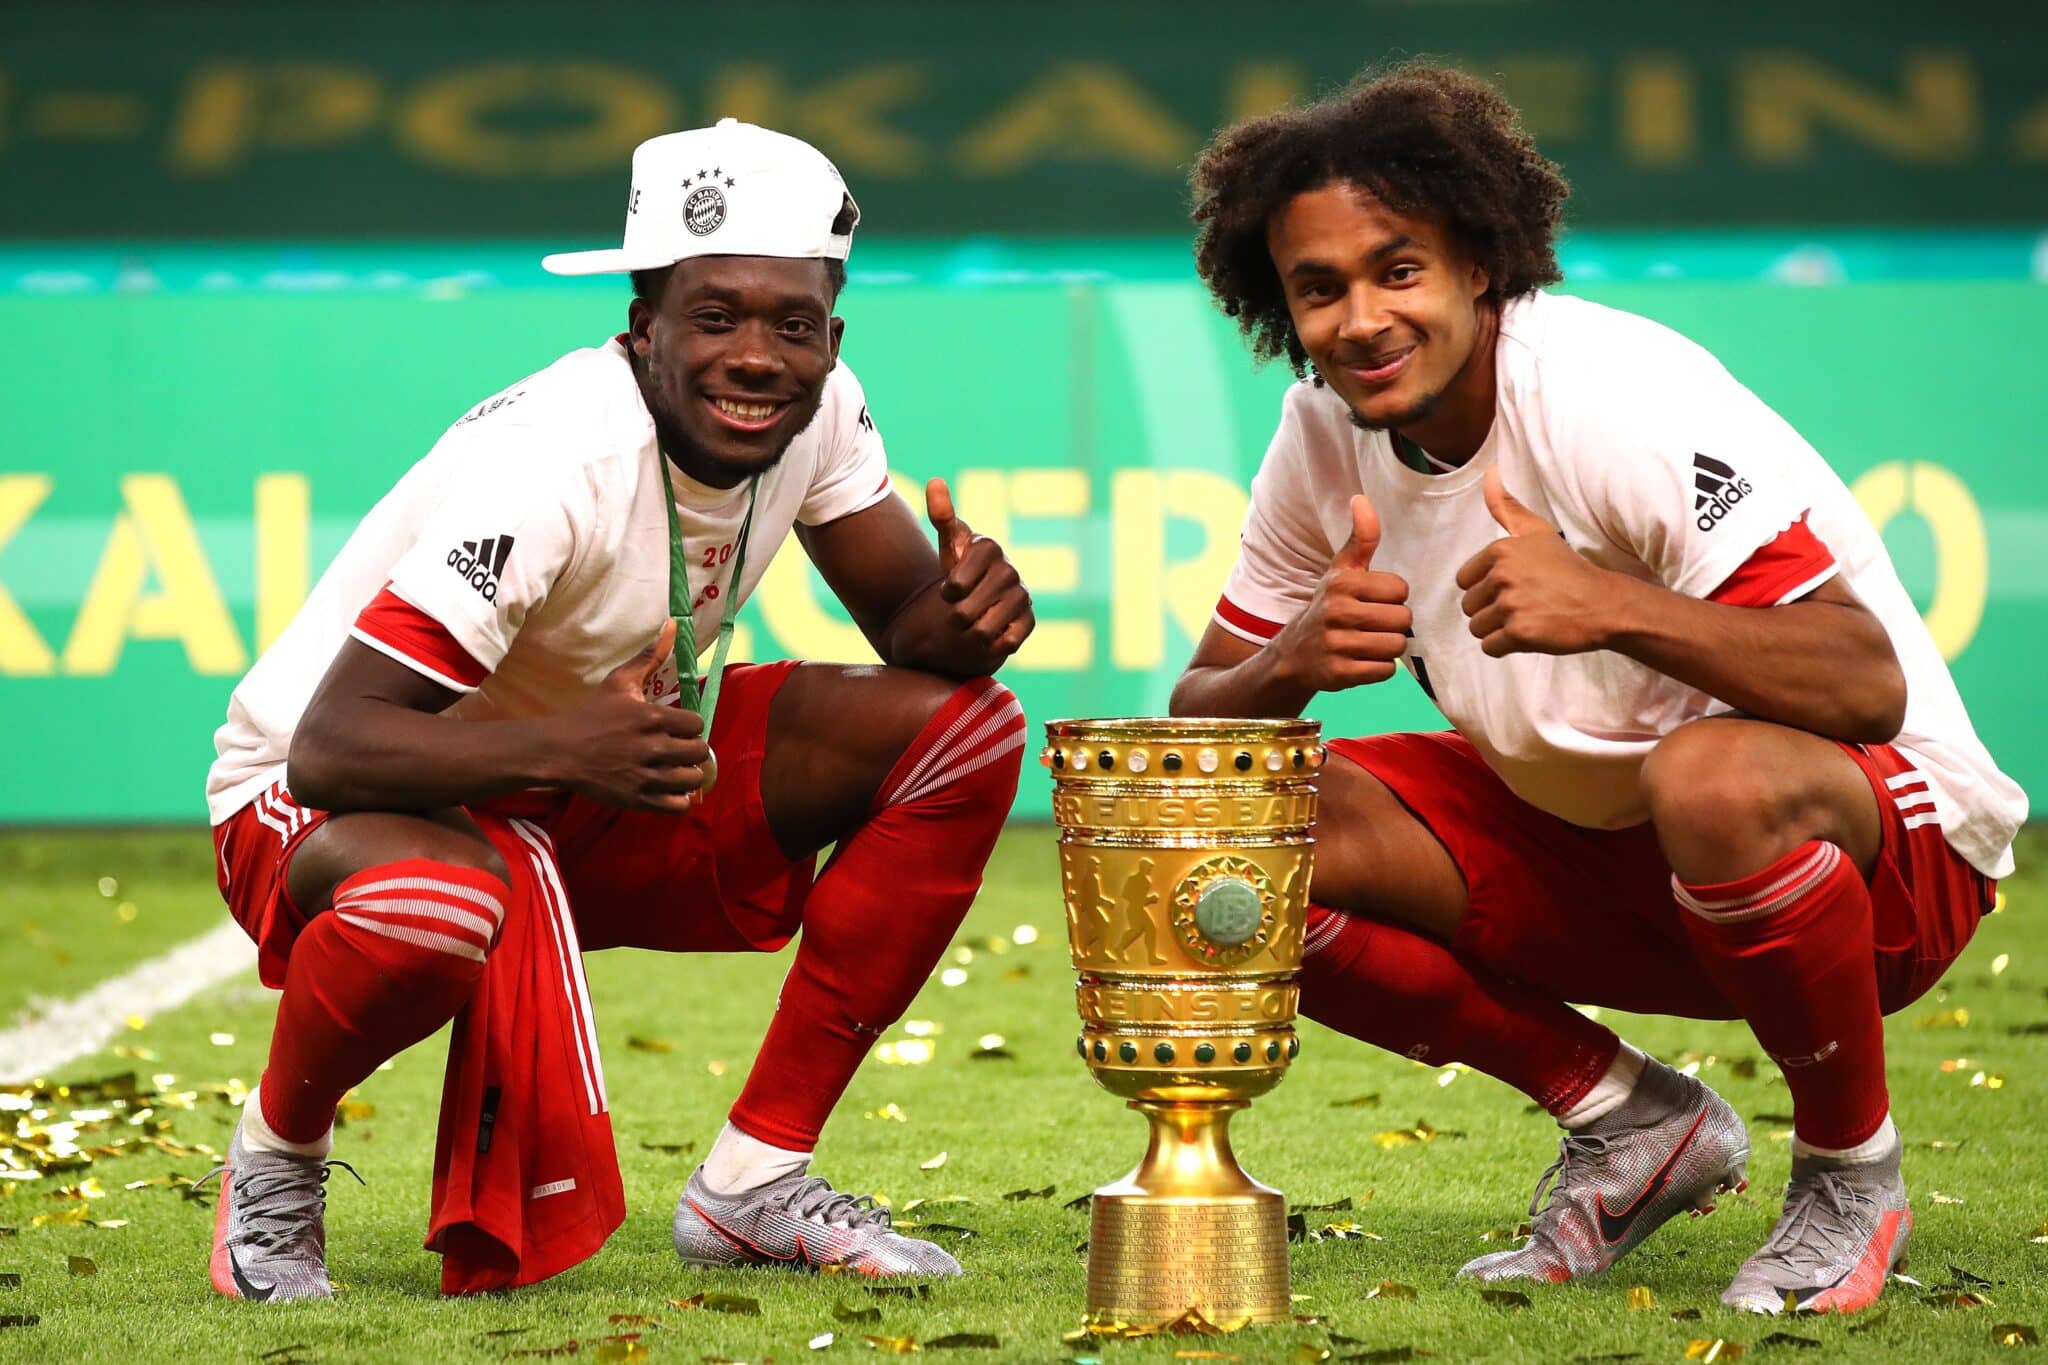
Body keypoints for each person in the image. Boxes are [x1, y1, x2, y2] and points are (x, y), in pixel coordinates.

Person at [1172, 63, 2022, 1315]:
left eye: (1394, 269)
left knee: (1710, 775)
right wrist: (1282, 666)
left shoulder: (1597, 394)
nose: (1358, 318)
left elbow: (1859, 683)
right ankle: (1628, 1121)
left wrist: (1608, 602)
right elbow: (1187, 732)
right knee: (1225, 832)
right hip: (1607, 854)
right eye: (1318, 288)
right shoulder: (1319, 434)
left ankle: (1849, 1175)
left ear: (1476, 261)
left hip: (1888, 858)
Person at [202, 119, 1034, 1299]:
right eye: (714, 317)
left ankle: (755, 1182)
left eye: (792, 324)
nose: (757, 356)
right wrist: (569, 746)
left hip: (587, 778)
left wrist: (967, 613)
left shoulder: (825, 407)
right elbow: (334, 746)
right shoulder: (555, 461)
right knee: (435, 908)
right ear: (641, 328)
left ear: (830, 334)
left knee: (962, 731)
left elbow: (911, 628)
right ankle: (276, 1166)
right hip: (326, 802)